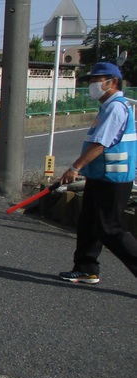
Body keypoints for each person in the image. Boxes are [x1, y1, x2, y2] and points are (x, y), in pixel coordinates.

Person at [58, 62, 137, 284]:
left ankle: (87, 267)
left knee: (110, 229)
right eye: (91, 81)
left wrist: (75, 168)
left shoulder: (115, 108)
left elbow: (100, 144)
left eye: (97, 80)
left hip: (113, 179)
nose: (93, 85)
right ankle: (86, 268)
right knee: (89, 223)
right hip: (101, 176)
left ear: (112, 82)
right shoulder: (108, 107)